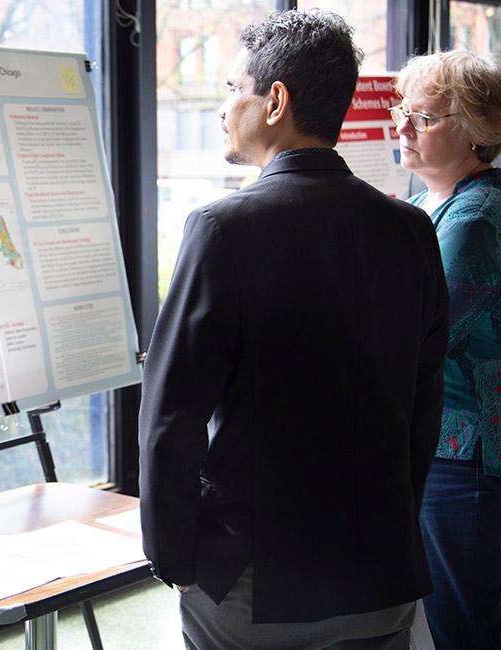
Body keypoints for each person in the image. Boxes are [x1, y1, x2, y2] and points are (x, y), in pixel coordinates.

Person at [138, 10, 449, 649]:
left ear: (275, 100)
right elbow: (424, 407)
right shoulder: (412, 231)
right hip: (379, 572)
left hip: (256, 579)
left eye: (232, 89)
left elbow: (171, 415)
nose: (223, 108)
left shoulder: (222, 230)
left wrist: (173, 556)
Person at [392, 50, 501, 649]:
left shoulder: (476, 218)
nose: (401, 127)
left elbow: (418, 337)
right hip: (440, 449)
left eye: (424, 118)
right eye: (402, 110)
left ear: (476, 130)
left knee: (463, 626)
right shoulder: (423, 205)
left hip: (469, 460)